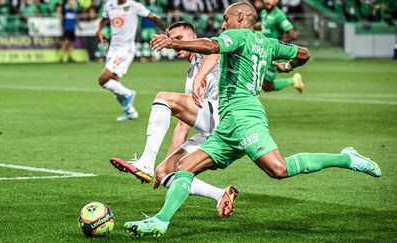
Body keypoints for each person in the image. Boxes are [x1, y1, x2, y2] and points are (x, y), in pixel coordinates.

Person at [124, 2, 381, 237]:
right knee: (185, 167)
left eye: (226, 19)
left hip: (245, 116)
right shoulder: (268, 43)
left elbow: (212, 46)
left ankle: (347, 158)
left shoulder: (236, 35)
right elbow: (303, 53)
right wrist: (287, 67)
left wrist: (173, 43)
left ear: (240, 17)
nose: (223, 24)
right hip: (228, 123)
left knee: (279, 169)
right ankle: (160, 221)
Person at [110, 21, 238, 218]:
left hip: (228, 117)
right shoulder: (190, 73)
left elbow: (216, 50)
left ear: (193, 38)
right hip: (213, 129)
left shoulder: (206, 46)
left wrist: (199, 78)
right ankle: (221, 195)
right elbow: (182, 126)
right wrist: (168, 160)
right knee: (163, 173)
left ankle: (145, 161)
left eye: (179, 38)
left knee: (163, 97)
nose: (174, 43)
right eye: (172, 39)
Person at [96, 0, 166, 121]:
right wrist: (99, 31)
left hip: (125, 49)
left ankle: (129, 94)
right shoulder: (109, 4)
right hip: (113, 48)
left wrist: (166, 31)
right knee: (115, 84)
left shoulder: (134, 6)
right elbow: (104, 19)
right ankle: (130, 112)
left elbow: (153, 17)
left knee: (103, 80)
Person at [258, 0, 304, 93]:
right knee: (265, 86)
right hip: (263, 51)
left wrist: (278, 45)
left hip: (273, 54)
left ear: (276, 1)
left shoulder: (279, 15)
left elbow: (293, 34)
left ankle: (293, 80)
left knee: (266, 86)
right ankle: (294, 80)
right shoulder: (264, 12)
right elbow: (265, 26)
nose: (268, 1)